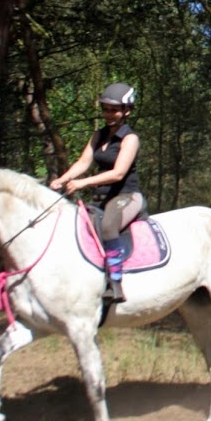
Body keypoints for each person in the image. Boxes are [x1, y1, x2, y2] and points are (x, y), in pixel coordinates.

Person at [51, 82, 145, 303]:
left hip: (127, 197)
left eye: (114, 110)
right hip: (102, 198)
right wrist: (62, 179)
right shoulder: (98, 135)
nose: (109, 114)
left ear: (127, 111)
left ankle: (115, 283)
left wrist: (83, 184)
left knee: (108, 226)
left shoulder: (130, 139)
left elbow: (118, 174)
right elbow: (83, 162)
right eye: (106, 109)